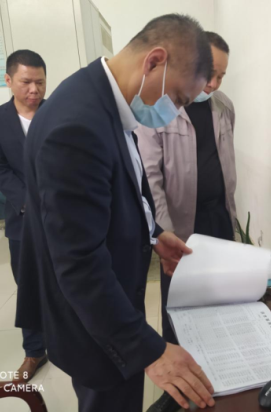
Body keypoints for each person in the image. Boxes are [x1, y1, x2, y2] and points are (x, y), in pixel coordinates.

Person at [15, 14, 216, 412]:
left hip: (112, 304)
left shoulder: (105, 100)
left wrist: (153, 234)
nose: (175, 112)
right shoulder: (77, 125)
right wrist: (148, 350)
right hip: (95, 326)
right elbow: (78, 263)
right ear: (154, 61)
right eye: (178, 99)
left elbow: (121, 186)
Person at [138, 31, 236, 344]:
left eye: (221, 76)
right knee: (179, 307)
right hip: (180, 228)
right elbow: (150, 177)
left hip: (219, 218)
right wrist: (163, 232)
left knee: (220, 297)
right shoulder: (159, 109)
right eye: (210, 73)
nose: (214, 84)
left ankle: (218, 359)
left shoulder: (224, 106)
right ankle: (178, 362)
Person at [0, 50, 48, 382]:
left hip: (64, 216)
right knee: (29, 286)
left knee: (72, 280)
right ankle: (35, 350)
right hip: (23, 220)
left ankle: (75, 340)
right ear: (9, 80)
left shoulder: (59, 111)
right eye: (26, 82)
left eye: (40, 82)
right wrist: (26, 202)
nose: (34, 89)